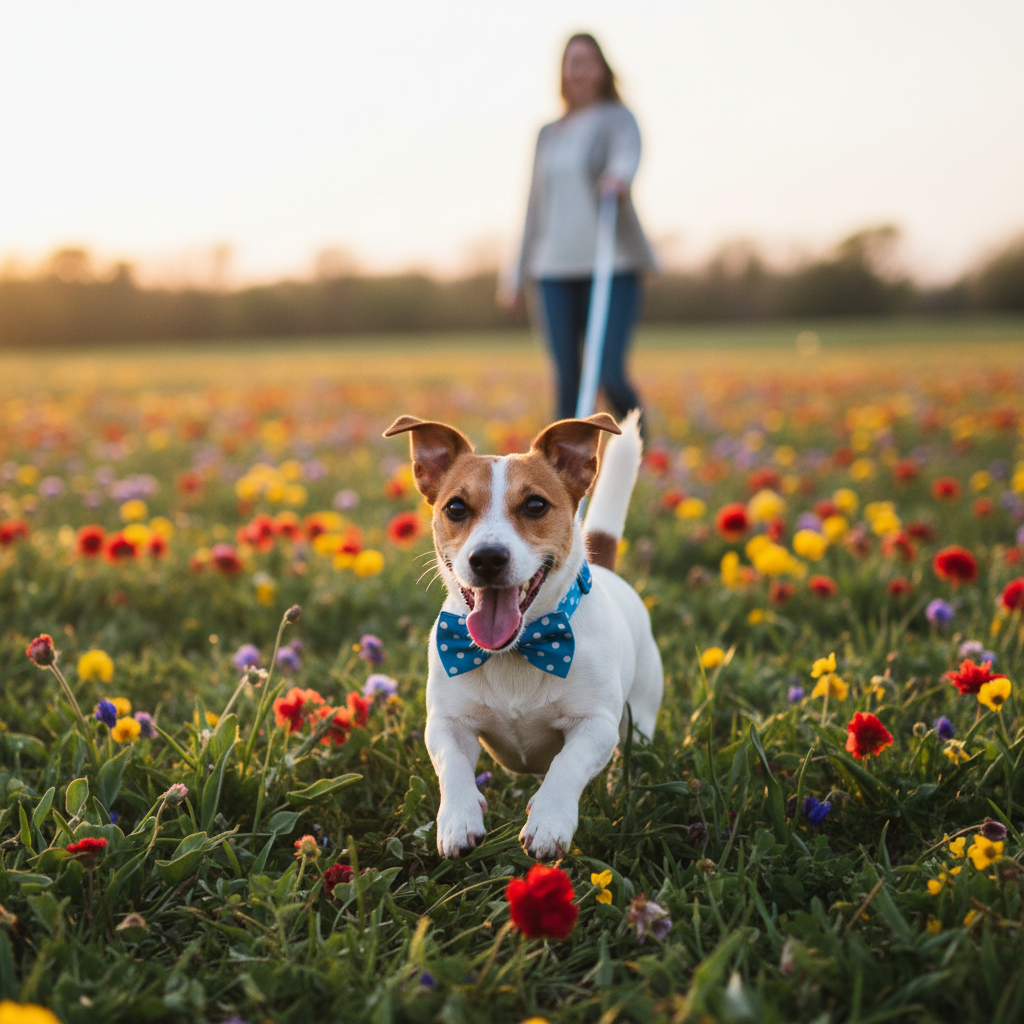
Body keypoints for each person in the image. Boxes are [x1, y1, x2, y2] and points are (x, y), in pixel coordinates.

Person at [499, 32, 656, 422]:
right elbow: (533, 207)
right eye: (572, 62)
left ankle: (637, 445)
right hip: (551, 270)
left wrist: (617, 177)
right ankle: (559, 476)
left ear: (602, 70)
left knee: (609, 374)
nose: (578, 71)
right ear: (562, 72)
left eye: (587, 62)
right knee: (567, 380)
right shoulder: (548, 133)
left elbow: (627, 152)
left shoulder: (617, 118)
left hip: (610, 265)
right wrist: (515, 275)